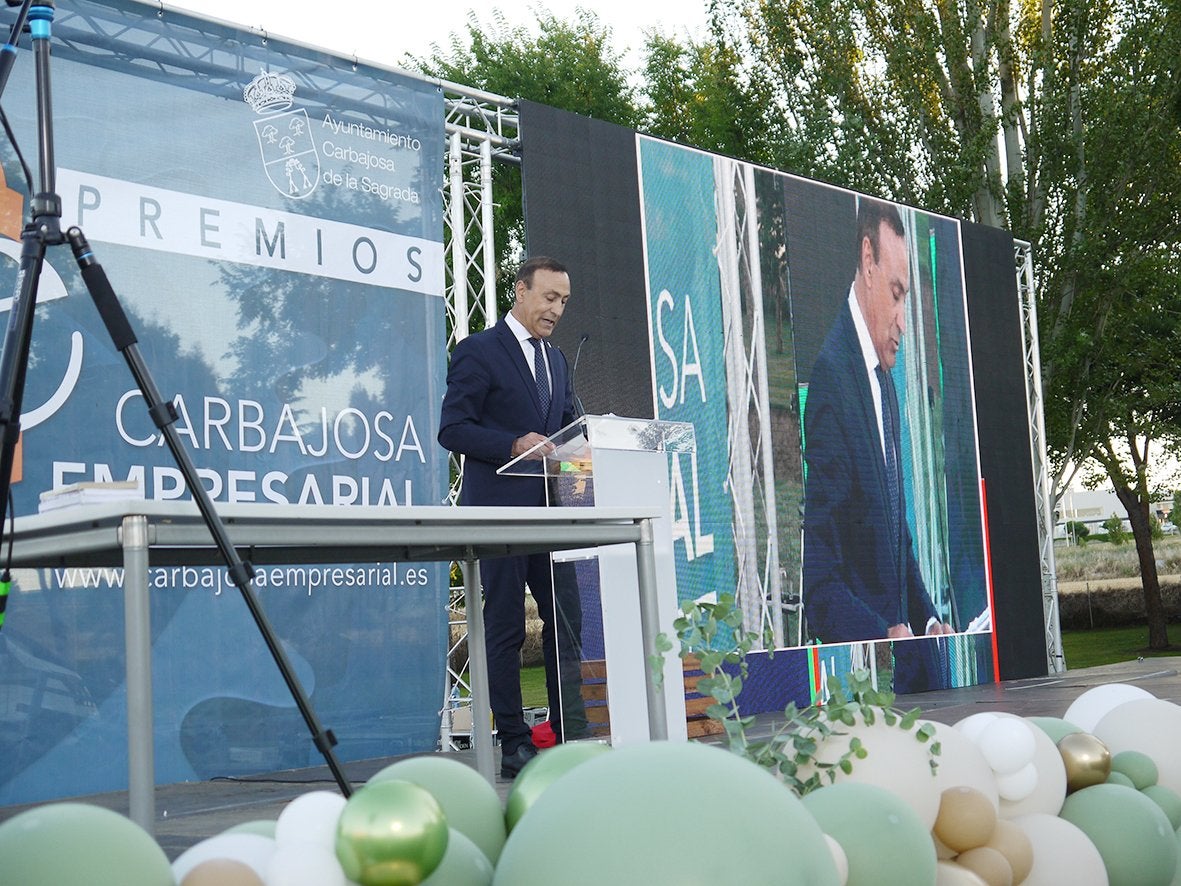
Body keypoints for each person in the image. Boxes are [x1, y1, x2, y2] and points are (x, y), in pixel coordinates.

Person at [438, 255, 587, 778]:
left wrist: (588, 447)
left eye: (564, 301)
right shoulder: (478, 352)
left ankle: (570, 731)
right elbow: (452, 430)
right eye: (549, 297)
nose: (556, 309)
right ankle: (513, 743)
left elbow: (568, 429)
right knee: (503, 628)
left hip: (554, 516)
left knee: (567, 624)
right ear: (520, 291)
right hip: (500, 516)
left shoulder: (558, 359)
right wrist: (511, 443)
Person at [802, 199, 953, 692]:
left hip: (907, 668)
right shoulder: (832, 378)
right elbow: (821, 576)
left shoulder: (882, 380)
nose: (903, 321)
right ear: (867, 260)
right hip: (866, 684)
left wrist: (928, 620)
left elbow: (894, 533)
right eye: (896, 293)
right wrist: (880, 635)